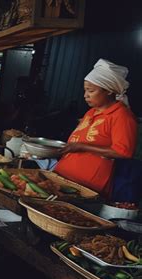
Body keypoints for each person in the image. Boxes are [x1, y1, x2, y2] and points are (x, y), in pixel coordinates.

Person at [54, 59, 138, 197]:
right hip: (63, 178)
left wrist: (82, 147)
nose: (85, 95)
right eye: (85, 90)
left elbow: (123, 152)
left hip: (87, 189)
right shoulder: (91, 112)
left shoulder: (122, 116)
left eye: (91, 91)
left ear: (109, 91)